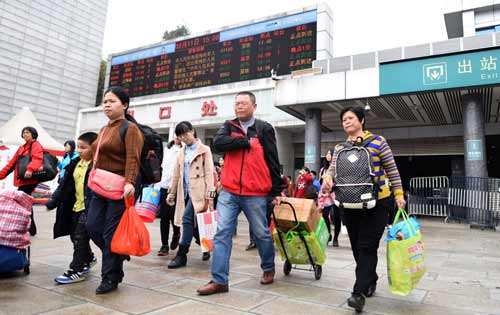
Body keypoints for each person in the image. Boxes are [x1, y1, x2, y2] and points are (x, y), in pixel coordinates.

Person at [197, 91, 282, 296]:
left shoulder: (264, 128)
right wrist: (244, 143)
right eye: (236, 103)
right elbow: (219, 144)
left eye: (243, 103)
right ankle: (219, 280)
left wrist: (277, 191)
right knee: (222, 232)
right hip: (229, 191)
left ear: (254, 106)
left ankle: (268, 268)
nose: (239, 106)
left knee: (261, 233)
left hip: (256, 193)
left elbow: (272, 159)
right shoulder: (228, 125)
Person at [322, 106, 405, 312]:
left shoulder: (378, 142)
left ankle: (358, 293)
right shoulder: (340, 148)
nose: (346, 122)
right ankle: (371, 277)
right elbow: (331, 171)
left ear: (361, 120)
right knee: (358, 247)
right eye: (343, 120)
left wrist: (399, 195)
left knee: (367, 246)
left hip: (378, 203)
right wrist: (327, 179)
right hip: (350, 204)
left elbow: (392, 170)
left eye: (350, 118)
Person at [85, 86, 144, 295]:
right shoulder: (103, 130)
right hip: (99, 187)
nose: (107, 105)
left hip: (121, 190)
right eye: (105, 101)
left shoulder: (130, 129)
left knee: (110, 234)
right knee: (92, 226)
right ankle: (117, 254)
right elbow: (93, 155)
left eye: (112, 101)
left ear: (125, 105)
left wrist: (130, 182)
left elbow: (132, 158)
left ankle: (110, 277)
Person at [49, 132, 98, 284]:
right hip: (75, 206)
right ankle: (89, 258)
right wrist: (53, 201)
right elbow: (63, 184)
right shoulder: (76, 162)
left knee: (79, 237)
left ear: (94, 148)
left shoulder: (98, 165)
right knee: (74, 236)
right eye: (78, 147)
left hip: (89, 207)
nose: (80, 150)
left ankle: (76, 270)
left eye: (83, 147)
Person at [166, 121, 215, 268]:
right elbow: (176, 175)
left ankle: (181, 255)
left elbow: (209, 174)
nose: (184, 137)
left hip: (199, 193)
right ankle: (205, 246)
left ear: (192, 131)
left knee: (187, 219)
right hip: (185, 193)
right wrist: (171, 193)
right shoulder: (181, 152)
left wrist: (210, 195)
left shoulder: (204, 150)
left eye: (186, 133)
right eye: (180, 135)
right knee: (195, 226)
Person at [0, 126, 43, 236]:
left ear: (33, 134)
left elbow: (37, 159)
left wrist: (30, 169)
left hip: (30, 180)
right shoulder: (22, 147)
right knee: (25, 202)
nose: (25, 134)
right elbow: (12, 164)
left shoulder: (36, 145)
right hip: (22, 180)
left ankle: (27, 227)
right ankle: (31, 228)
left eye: (27, 132)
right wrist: (1, 175)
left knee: (22, 201)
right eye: (23, 132)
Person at [156, 136, 183, 256]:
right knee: (164, 217)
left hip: (177, 188)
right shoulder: (167, 149)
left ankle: (176, 234)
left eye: (180, 134)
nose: (178, 137)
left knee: (174, 216)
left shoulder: (185, 150)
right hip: (164, 186)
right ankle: (164, 245)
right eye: (176, 134)